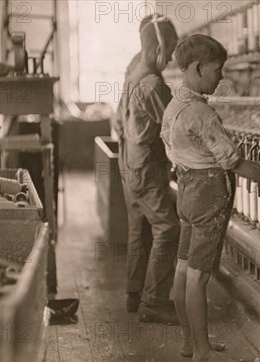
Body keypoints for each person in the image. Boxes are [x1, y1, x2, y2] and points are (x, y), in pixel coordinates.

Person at [160, 34, 260, 362]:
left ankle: (190, 342)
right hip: (208, 197)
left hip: (187, 191)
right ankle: (203, 354)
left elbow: (200, 155)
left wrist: (255, 166)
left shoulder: (175, 107)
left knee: (184, 267)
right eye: (218, 70)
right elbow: (229, 162)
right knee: (199, 277)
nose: (221, 77)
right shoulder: (202, 113)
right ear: (200, 68)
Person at [113, 15, 180, 324]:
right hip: (147, 166)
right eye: (169, 52)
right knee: (168, 228)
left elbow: (118, 122)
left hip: (128, 161)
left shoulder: (133, 71)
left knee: (139, 228)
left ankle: (133, 293)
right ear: (157, 50)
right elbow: (174, 127)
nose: (170, 60)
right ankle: (154, 303)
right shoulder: (153, 84)